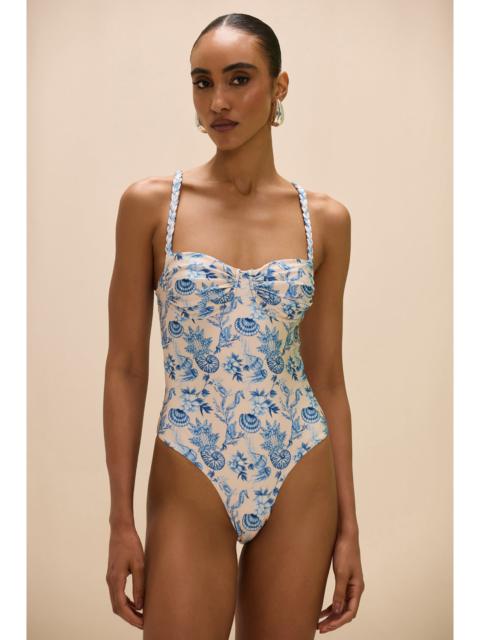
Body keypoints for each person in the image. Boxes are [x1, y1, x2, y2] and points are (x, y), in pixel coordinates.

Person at [104, 12, 364, 640]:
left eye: (239, 79)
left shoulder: (324, 221)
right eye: (203, 81)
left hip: (300, 460)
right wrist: (120, 521)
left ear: (279, 88)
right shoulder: (151, 206)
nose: (217, 101)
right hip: (191, 460)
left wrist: (350, 528)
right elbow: (126, 368)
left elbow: (327, 377)